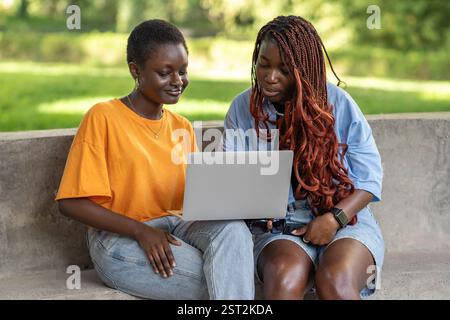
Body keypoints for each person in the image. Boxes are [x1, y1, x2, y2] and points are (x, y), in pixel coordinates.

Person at [55, 19, 254, 300]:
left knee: (233, 233)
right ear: (135, 70)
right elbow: (70, 203)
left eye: (183, 71)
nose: (178, 81)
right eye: (165, 72)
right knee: (227, 273)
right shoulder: (103, 118)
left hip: (177, 229)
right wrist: (140, 231)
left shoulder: (181, 126)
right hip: (119, 239)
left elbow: (192, 198)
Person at [223, 15, 384, 300]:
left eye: (284, 70)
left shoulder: (338, 104)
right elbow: (232, 180)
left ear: (304, 71)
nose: (271, 77)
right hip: (279, 228)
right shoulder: (243, 109)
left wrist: (334, 219)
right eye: (264, 64)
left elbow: (369, 181)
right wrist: (253, 210)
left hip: (346, 220)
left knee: (335, 280)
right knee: (284, 279)